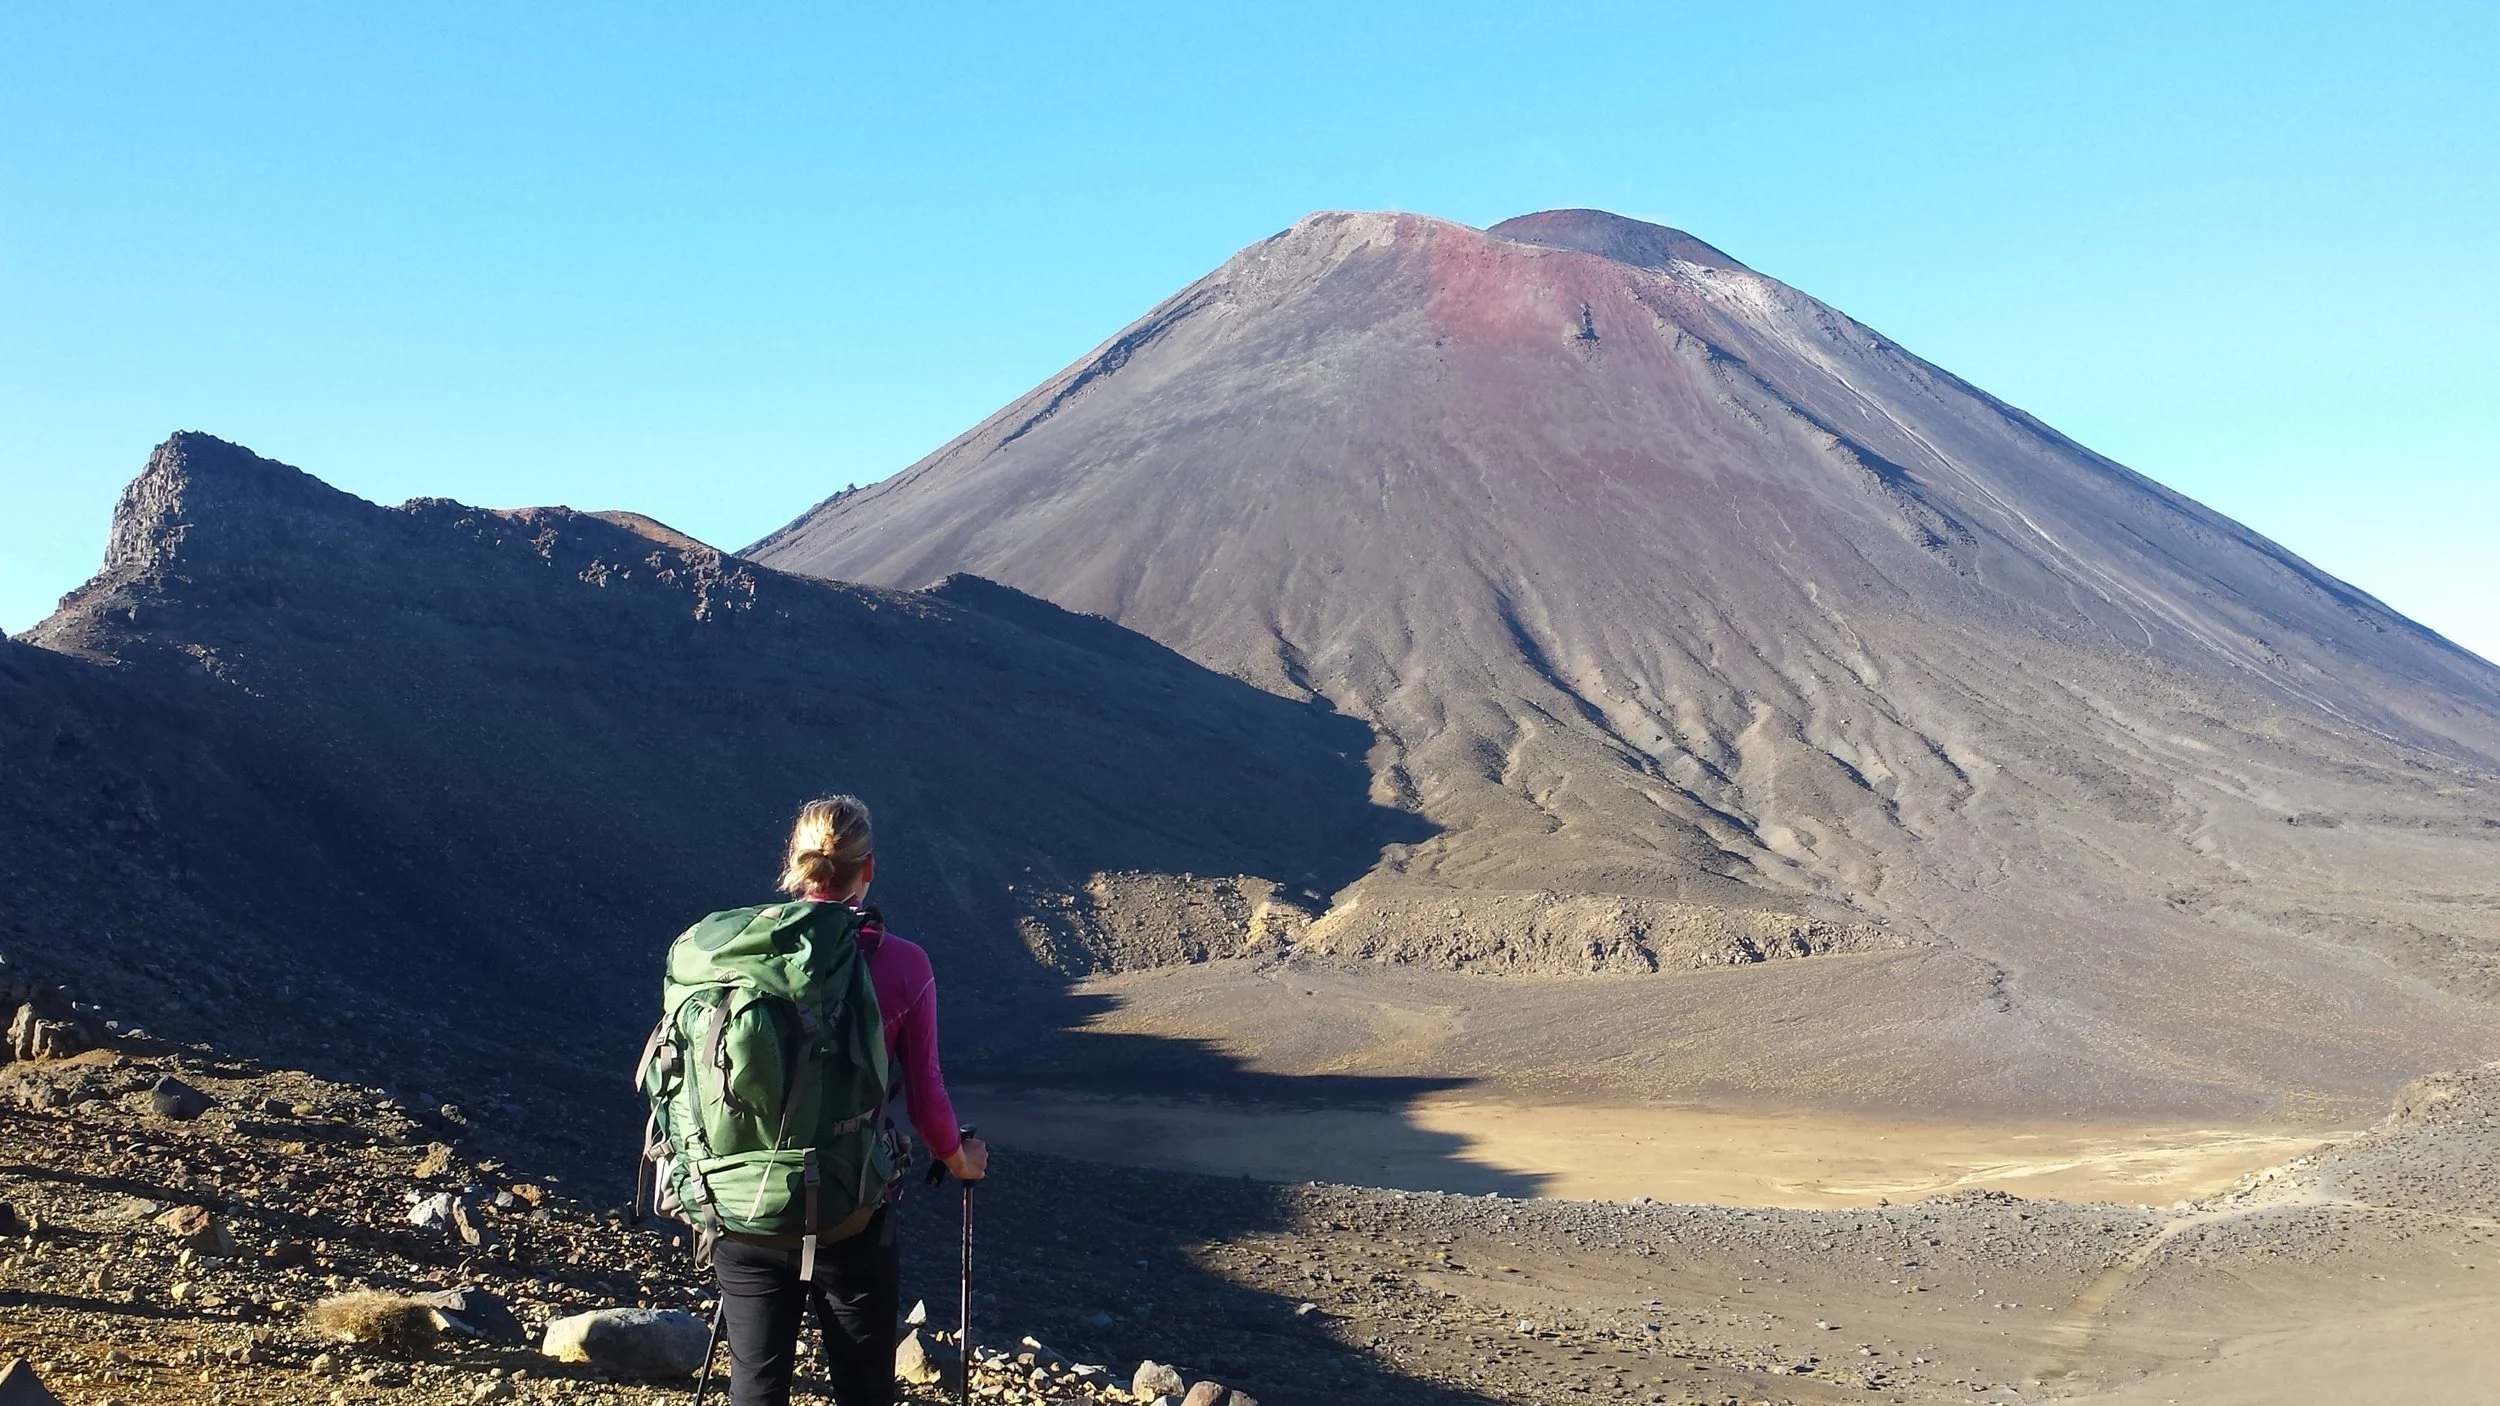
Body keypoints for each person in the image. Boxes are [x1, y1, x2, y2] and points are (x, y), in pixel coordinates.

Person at [711, 794, 988, 1406]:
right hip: (847, 1211)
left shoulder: (737, 951)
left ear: (796, 864)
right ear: (869, 869)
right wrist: (960, 1158)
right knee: (864, 1386)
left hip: (740, 1202)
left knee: (755, 1384)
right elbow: (927, 1101)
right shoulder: (902, 964)